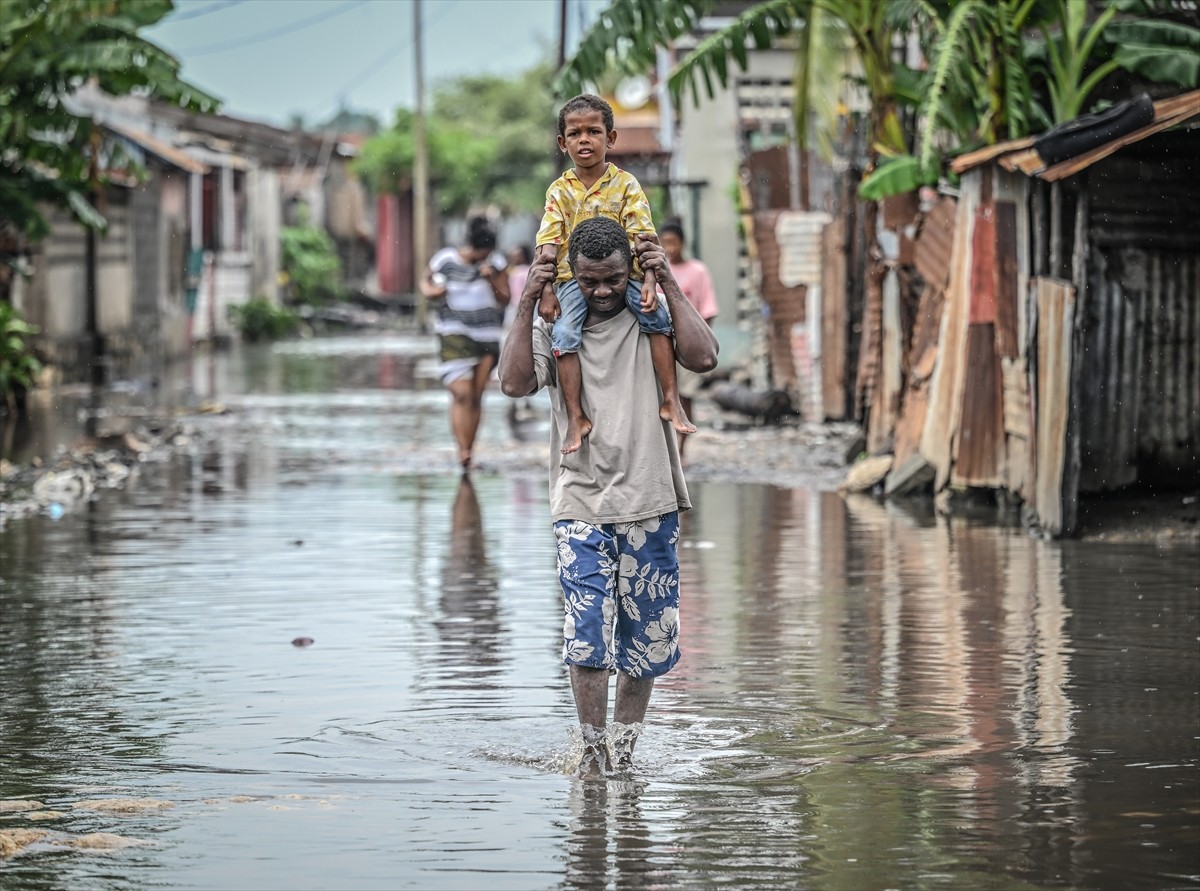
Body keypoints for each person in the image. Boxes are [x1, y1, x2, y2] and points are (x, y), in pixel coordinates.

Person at [499, 216, 719, 777]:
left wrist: (664, 278)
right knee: (586, 634)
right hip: (580, 500)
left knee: (646, 639)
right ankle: (593, 754)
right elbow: (513, 383)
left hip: (651, 498)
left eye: (614, 279)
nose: (601, 291)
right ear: (573, 273)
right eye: (590, 280)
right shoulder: (556, 324)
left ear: (629, 271)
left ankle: (624, 753)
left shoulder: (654, 320)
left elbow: (706, 357)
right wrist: (527, 299)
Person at [534, 94, 695, 456]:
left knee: (658, 318)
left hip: (629, 274)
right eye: (575, 134)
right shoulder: (559, 191)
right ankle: (576, 416)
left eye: (593, 131)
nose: (584, 140)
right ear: (563, 143)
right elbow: (547, 244)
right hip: (573, 280)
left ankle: (671, 398)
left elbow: (644, 237)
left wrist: (651, 282)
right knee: (563, 334)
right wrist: (546, 291)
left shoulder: (627, 185)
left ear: (611, 138)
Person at [421, 217, 509, 470]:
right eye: (482, 252)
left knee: (476, 397)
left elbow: (505, 298)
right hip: (453, 332)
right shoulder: (445, 260)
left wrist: (490, 279)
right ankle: (461, 450)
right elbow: (425, 282)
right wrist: (432, 292)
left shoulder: (495, 264)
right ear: (473, 246)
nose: (484, 256)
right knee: (462, 394)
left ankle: (469, 451)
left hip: (487, 335)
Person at [659, 218, 719, 458]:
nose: (670, 248)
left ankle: (682, 447)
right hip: (660, 342)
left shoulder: (698, 271)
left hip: (687, 343)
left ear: (683, 243)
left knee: (685, 396)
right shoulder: (655, 270)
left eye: (674, 242)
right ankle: (665, 447)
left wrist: (700, 344)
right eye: (665, 243)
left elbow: (708, 311)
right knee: (662, 393)